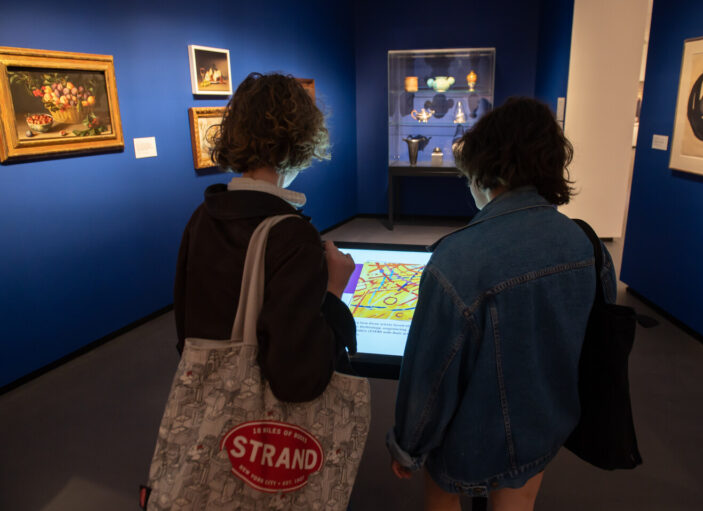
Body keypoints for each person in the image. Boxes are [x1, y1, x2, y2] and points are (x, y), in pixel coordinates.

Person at [386, 97, 617, 510]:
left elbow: (432, 371)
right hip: (545, 426)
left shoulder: (457, 259)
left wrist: (408, 444)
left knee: (441, 497)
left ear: (483, 168)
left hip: (468, 439)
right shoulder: (589, 246)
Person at [173, 72, 357, 402]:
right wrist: (332, 290)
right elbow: (299, 380)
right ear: (302, 140)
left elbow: (186, 333)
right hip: (266, 435)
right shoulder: (292, 236)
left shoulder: (203, 216)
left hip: (211, 409)